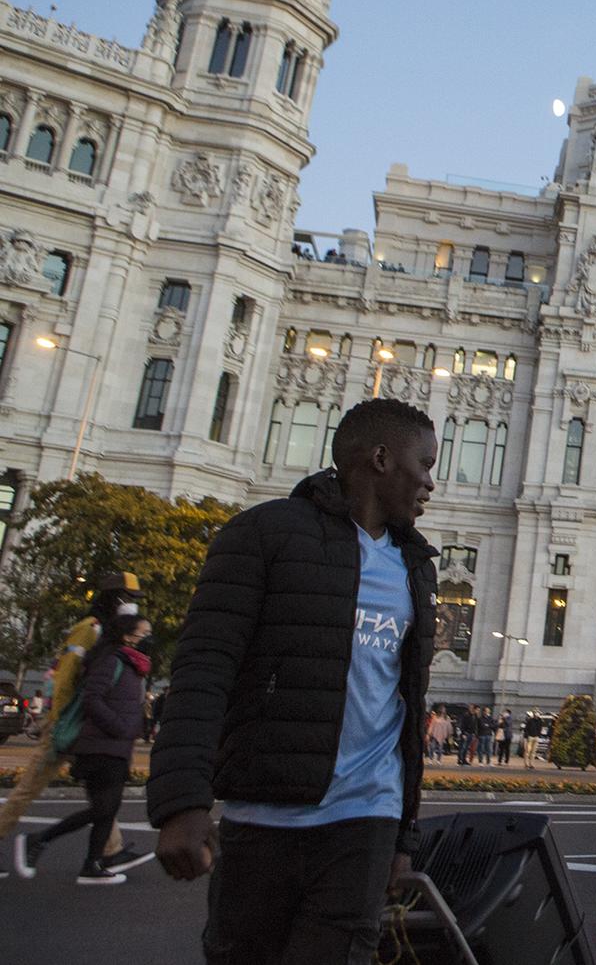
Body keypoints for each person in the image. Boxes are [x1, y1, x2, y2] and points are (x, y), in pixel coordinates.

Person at [147, 398, 440, 963]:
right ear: (381, 459)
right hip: (262, 816)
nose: (430, 482)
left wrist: (403, 839)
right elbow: (204, 670)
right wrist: (181, 803)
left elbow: (405, 706)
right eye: (423, 464)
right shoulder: (264, 535)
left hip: (364, 821)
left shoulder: (416, 568)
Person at [0, 571, 141, 859]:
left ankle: (109, 849)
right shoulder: (90, 629)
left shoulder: (113, 635)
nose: (133, 606)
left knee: (102, 791)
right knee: (29, 789)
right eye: (128, 599)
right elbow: (64, 677)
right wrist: (55, 721)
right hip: (67, 724)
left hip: (85, 726)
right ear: (113, 599)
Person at [13, 614, 154, 884]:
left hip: (114, 747)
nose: (147, 639)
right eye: (143, 633)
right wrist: (120, 727)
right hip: (99, 746)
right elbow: (92, 698)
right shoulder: (112, 661)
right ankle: (40, 839)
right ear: (127, 636)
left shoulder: (130, 664)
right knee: (104, 808)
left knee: (107, 808)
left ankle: (92, 865)